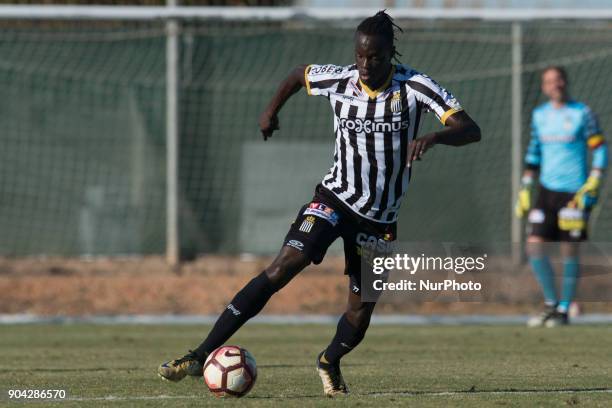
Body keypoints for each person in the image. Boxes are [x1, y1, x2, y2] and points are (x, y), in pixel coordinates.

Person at [158, 10, 481, 396]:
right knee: (283, 267)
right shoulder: (340, 79)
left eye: (374, 57)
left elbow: (469, 128)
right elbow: (298, 74)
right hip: (334, 199)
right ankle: (199, 354)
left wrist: (435, 137)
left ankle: (329, 360)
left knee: (360, 313)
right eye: (360, 55)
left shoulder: (415, 86)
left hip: (379, 220)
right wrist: (270, 111)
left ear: (390, 53)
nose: (365, 65)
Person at [516, 66, 608, 327]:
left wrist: (595, 179)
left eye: (558, 80)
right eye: (549, 81)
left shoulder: (582, 113)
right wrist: (525, 187)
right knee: (534, 245)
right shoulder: (540, 115)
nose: (554, 85)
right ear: (544, 87)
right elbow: (534, 153)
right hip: (546, 191)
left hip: (575, 193)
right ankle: (550, 303)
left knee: (570, 251)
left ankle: (565, 308)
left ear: (565, 83)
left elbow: (600, 148)